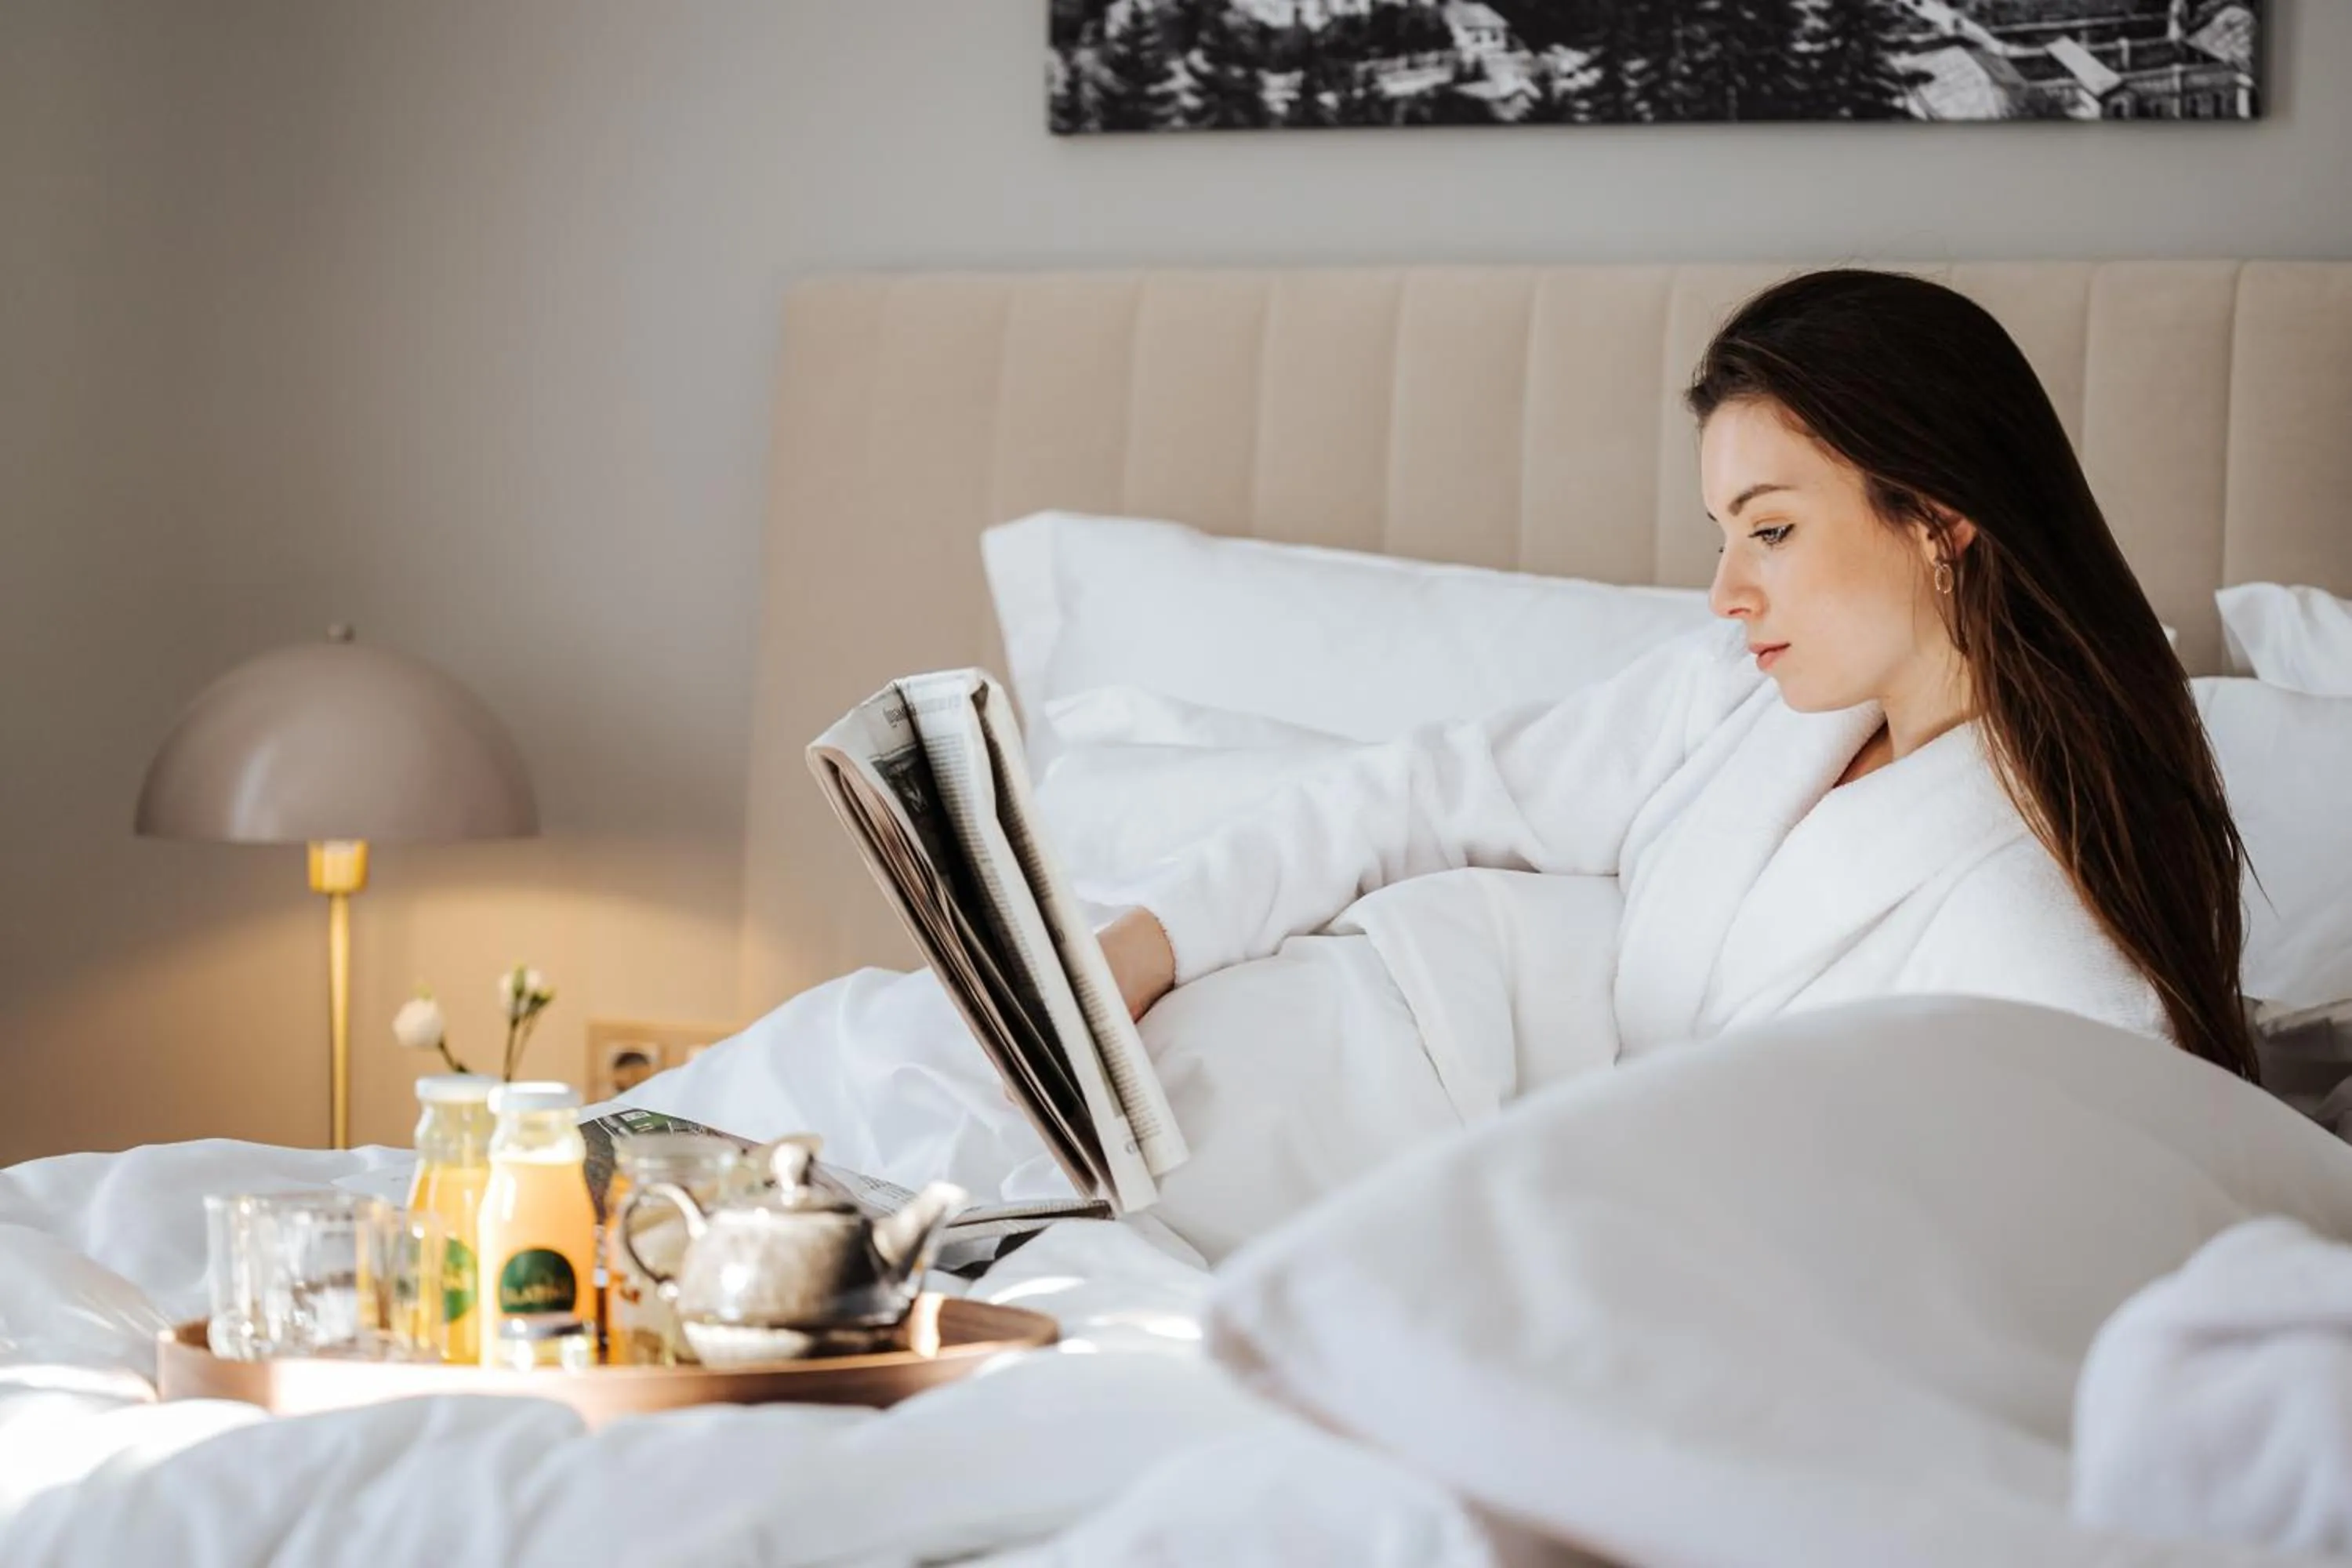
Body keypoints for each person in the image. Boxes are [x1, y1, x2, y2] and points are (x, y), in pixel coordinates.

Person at [1097, 268, 2258, 1080]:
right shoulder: (1742, 696)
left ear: (1940, 521)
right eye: (1724, 534)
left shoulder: (2048, 927)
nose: (1728, 595)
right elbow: (1432, 790)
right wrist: (1144, 946)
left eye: (1774, 531)